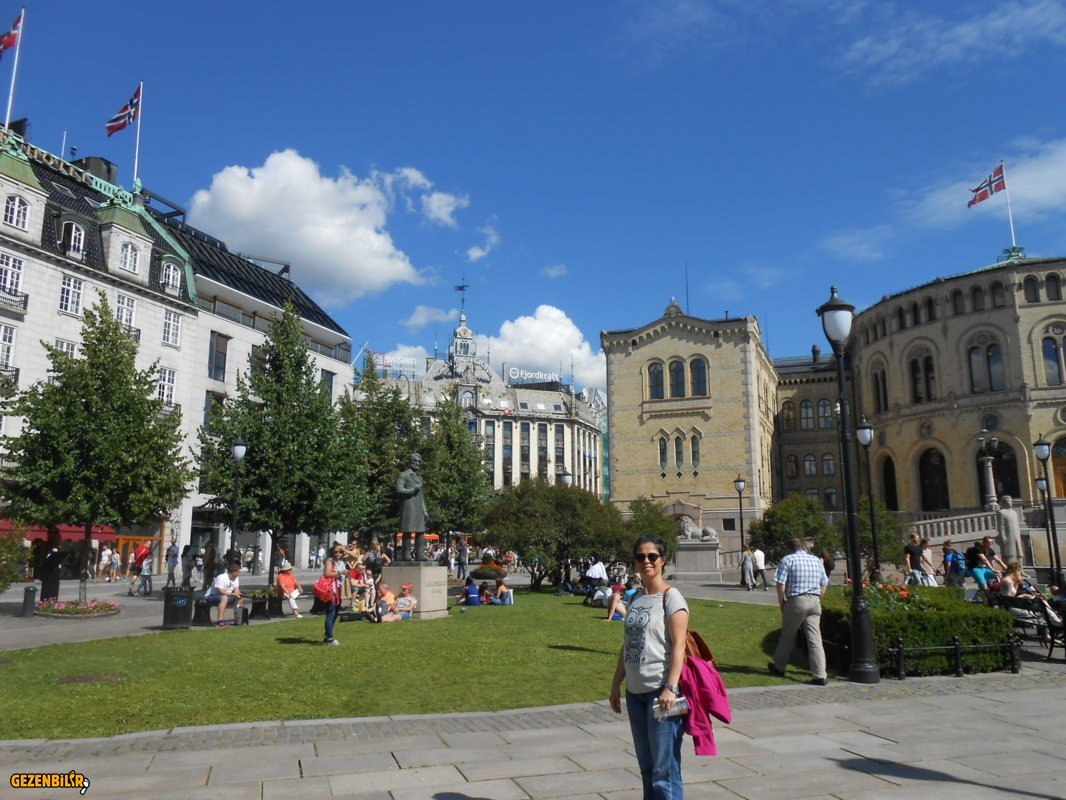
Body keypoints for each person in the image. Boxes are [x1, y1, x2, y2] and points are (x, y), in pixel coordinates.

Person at [609, 536, 690, 800]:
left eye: (652, 556)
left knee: (664, 772)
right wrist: (616, 685)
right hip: (635, 695)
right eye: (640, 556)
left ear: (662, 560)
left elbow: (679, 646)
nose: (646, 561)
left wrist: (671, 687)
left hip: (662, 694)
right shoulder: (635, 599)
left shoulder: (671, 597)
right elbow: (627, 645)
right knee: (646, 768)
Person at [768, 538, 830, 686]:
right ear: (803, 547)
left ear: (790, 548)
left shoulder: (788, 559)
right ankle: (820, 674)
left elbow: (780, 583)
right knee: (815, 639)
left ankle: (779, 666)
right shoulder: (816, 561)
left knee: (788, 634)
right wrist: (818, 598)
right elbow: (824, 584)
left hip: (796, 600)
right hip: (814, 600)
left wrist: (782, 601)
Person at [322, 545, 346, 645]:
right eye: (336, 552)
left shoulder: (342, 561)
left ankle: (327, 636)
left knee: (335, 614)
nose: (338, 554)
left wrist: (345, 549)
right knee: (331, 613)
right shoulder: (330, 561)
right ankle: (330, 639)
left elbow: (356, 557)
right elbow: (327, 574)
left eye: (340, 552)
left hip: (339, 589)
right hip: (331, 590)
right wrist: (340, 572)